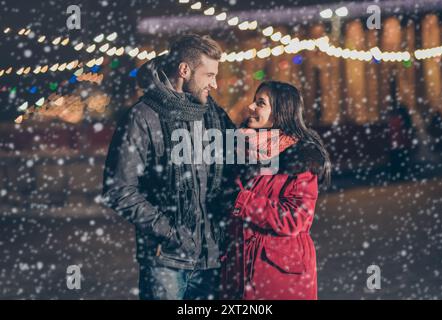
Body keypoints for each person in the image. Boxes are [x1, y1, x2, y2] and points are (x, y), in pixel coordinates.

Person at [102, 34, 235, 300]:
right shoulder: (143, 117)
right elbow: (118, 190)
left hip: (211, 260)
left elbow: (242, 162)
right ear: (184, 70)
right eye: (209, 75)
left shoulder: (213, 114)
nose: (215, 83)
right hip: (166, 261)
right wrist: (172, 233)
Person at [221, 81, 331, 300]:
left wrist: (243, 201)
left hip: (279, 274)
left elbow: (294, 217)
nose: (251, 107)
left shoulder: (300, 157)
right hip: (240, 270)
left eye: (260, 103)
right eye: (254, 100)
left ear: (280, 112)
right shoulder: (240, 149)